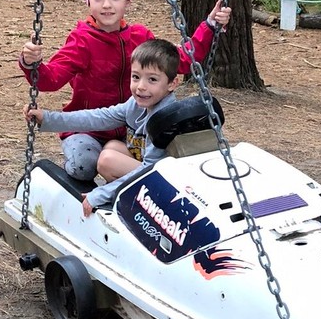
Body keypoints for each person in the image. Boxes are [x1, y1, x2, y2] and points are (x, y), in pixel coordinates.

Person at [18, 0, 230, 182]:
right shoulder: (81, 41)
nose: (107, 4)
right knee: (84, 165)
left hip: (129, 128)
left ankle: (130, 191)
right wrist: (32, 63)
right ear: (88, 1)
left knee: (141, 157)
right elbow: (50, 80)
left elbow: (182, 61)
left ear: (127, 0)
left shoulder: (140, 37)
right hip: (88, 127)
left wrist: (209, 26)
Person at [27, 38, 195, 215]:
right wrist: (46, 118)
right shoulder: (136, 105)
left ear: (172, 84)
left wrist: (100, 194)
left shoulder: (164, 119)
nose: (141, 87)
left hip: (166, 182)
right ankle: (126, 194)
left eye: (152, 80)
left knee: (108, 159)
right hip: (148, 169)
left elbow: (151, 169)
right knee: (112, 146)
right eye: (136, 77)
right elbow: (96, 117)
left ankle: (136, 203)